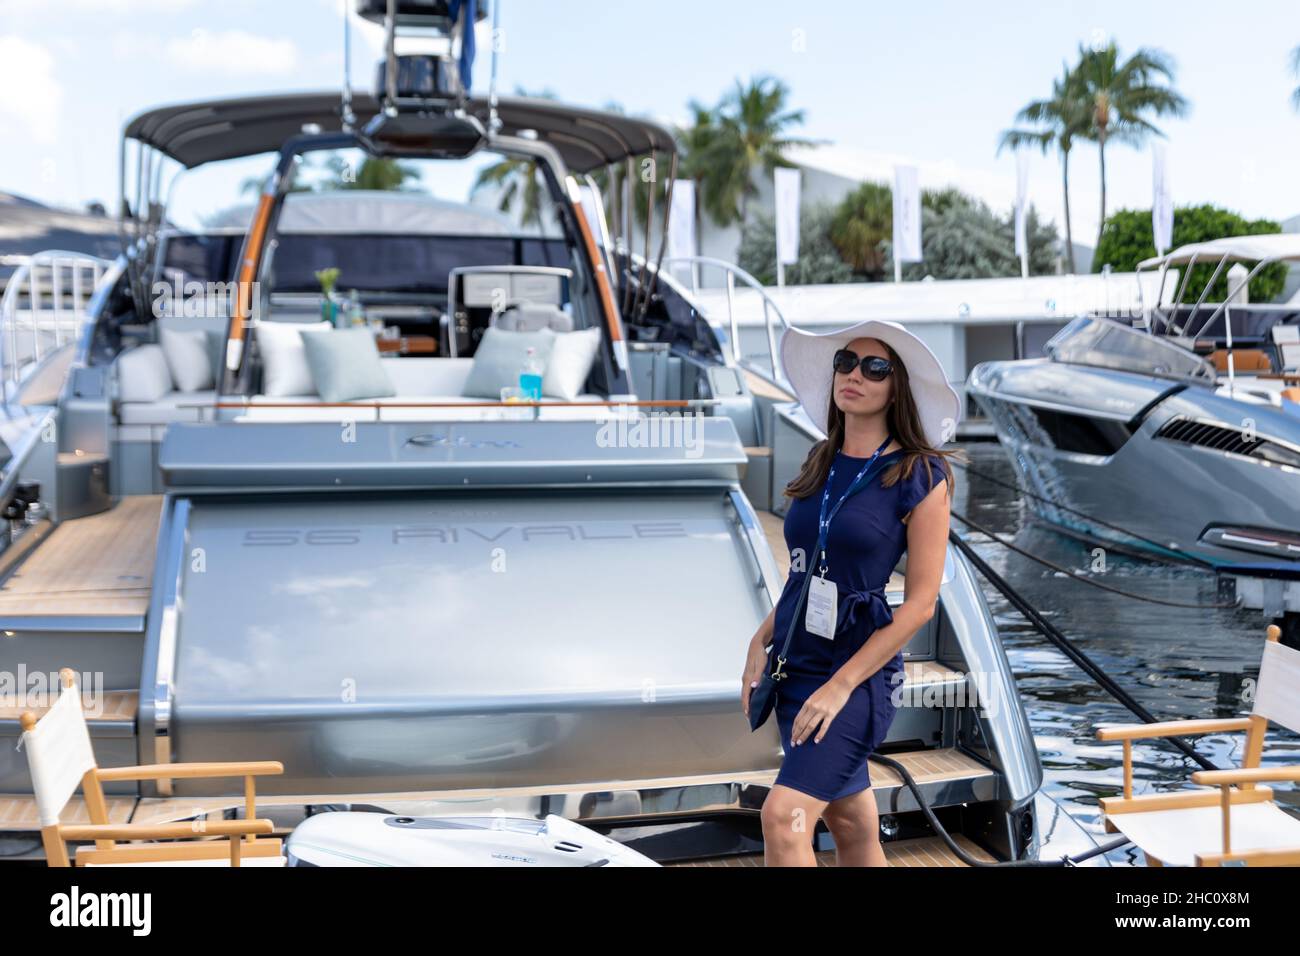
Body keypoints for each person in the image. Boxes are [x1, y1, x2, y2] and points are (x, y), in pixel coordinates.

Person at [741, 319, 962, 867]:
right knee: (853, 824)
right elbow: (804, 573)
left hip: (855, 677)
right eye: (845, 362)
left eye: (875, 368)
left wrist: (840, 687)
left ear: (896, 387)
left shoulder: (919, 474)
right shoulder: (822, 462)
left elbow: (920, 605)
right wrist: (758, 641)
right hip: (799, 666)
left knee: (783, 818)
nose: (854, 375)